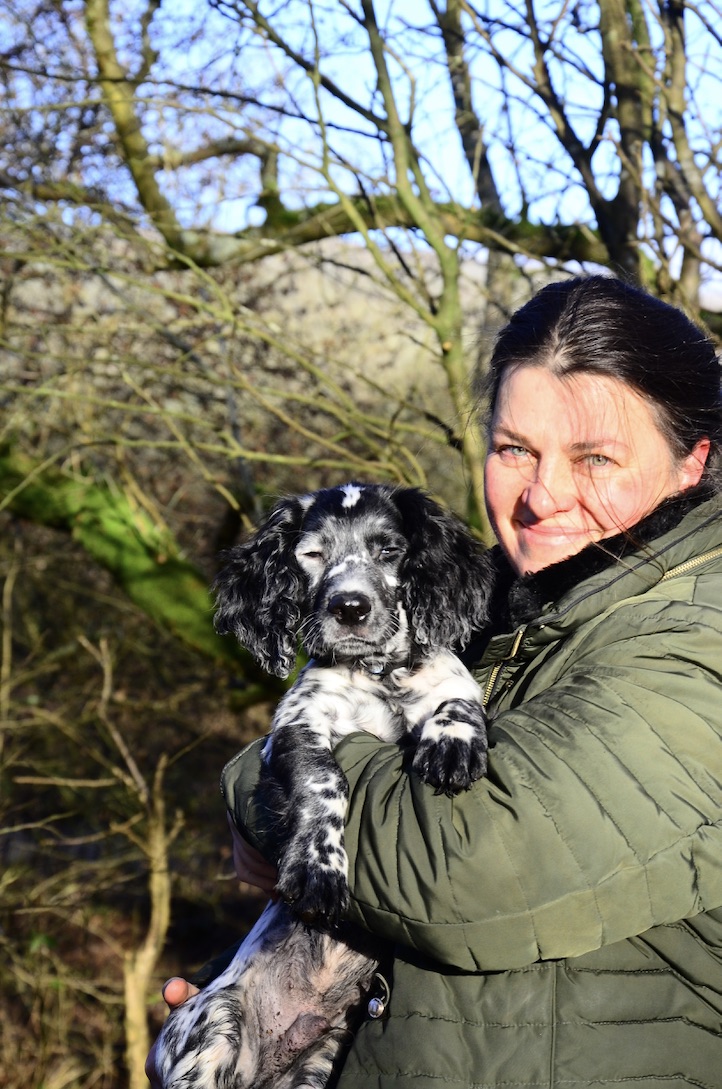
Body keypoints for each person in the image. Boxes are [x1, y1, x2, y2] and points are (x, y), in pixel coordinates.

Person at [148, 275, 722, 1088]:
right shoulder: (489, 609)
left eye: (595, 457)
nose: (541, 495)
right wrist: (247, 987)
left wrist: (263, 782)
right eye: (515, 448)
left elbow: (464, 867)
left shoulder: (701, 638)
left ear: (691, 461)